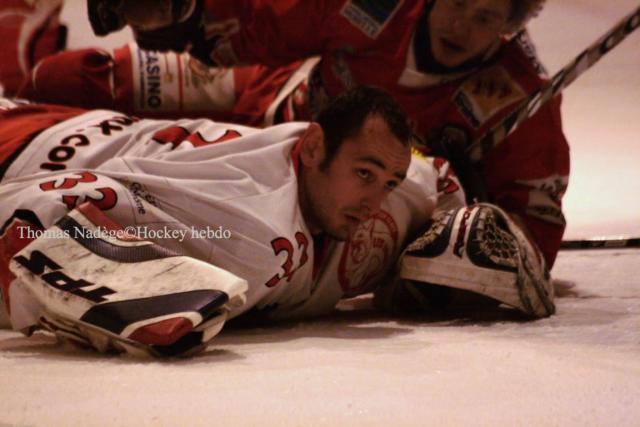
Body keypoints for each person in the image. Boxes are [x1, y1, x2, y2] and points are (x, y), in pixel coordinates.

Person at [17, 0, 570, 274]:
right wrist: (187, 11)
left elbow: (534, 235)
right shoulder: (377, 5)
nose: (458, 27)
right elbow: (267, 19)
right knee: (61, 78)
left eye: (484, 17)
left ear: (510, 27)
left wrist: (469, 217)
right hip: (272, 95)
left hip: (286, 166)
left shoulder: (518, 98)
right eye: (454, 3)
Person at [0, 86, 478, 357]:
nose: (375, 201)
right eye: (363, 174)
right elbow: (45, 207)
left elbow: (434, 175)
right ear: (313, 148)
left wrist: (456, 225)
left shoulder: (398, 189)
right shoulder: (245, 231)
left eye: (387, 182)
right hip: (20, 149)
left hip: (80, 125)